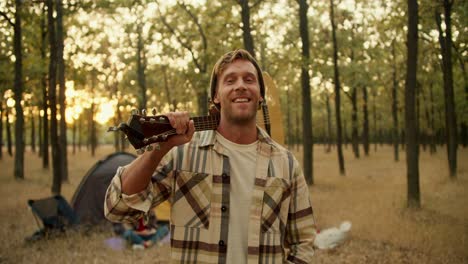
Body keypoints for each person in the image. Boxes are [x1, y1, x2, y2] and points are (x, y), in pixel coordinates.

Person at [104, 49, 316, 263]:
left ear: (260, 93)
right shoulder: (181, 153)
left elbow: (304, 243)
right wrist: (160, 149)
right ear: (216, 96)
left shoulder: (286, 163)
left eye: (249, 79)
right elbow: (118, 209)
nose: (240, 85)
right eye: (230, 80)